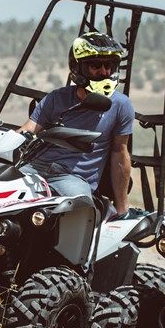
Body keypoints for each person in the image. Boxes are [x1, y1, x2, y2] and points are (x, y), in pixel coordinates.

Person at [19, 32, 135, 216]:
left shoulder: (121, 105)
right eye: (95, 65)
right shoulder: (57, 97)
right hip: (35, 168)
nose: (104, 71)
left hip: (73, 178)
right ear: (77, 67)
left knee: (82, 208)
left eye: (109, 65)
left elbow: (119, 152)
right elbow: (28, 129)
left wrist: (122, 209)